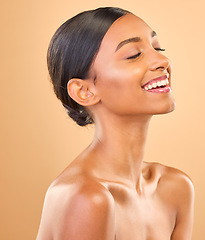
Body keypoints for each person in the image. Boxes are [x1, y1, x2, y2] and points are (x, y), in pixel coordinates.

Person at [37, 7, 194, 240]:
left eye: (157, 48)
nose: (162, 60)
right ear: (84, 91)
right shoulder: (85, 198)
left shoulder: (176, 187)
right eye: (133, 55)